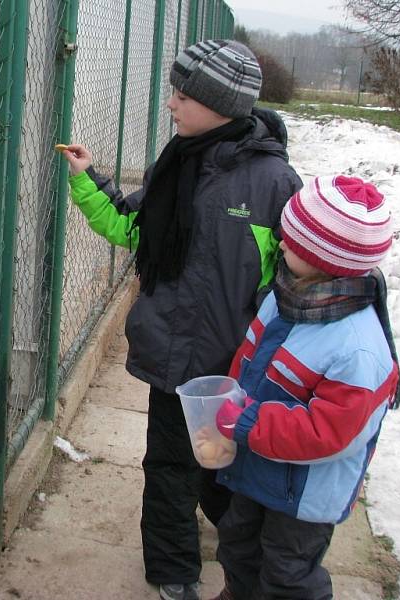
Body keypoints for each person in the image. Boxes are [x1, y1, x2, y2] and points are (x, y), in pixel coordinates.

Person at [60, 39, 302, 600]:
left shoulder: (273, 184)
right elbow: (131, 226)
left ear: (218, 104)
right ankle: (173, 572)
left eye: (181, 95)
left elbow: (295, 275)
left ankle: (241, 546)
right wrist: (87, 178)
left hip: (237, 368)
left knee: (229, 468)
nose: (171, 105)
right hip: (175, 360)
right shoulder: (176, 167)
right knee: (170, 468)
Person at [210, 175, 400, 600]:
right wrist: (230, 398)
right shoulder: (286, 296)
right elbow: (251, 357)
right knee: (238, 545)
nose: (280, 243)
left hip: (303, 495)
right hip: (257, 464)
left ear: (324, 259)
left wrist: (247, 420)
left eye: (292, 240)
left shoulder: (358, 350)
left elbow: (331, 433)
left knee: (287, 573)